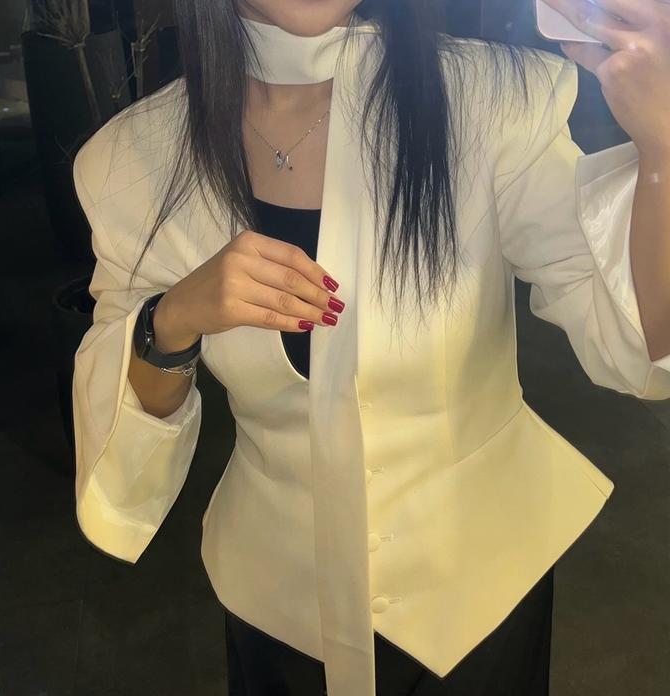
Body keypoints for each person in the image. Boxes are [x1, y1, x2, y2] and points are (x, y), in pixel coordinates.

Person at [70, 1, 670, 695]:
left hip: (479, 598)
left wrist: (662, 149)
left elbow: (637, 343)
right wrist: (171, 320)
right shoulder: (133, 161)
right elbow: (122, 447)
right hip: (279, 606)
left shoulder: (493, 102)